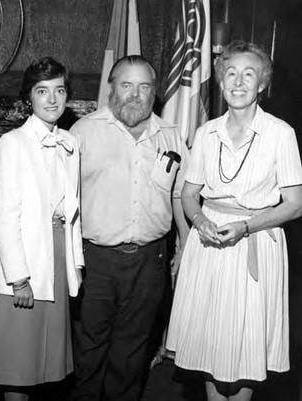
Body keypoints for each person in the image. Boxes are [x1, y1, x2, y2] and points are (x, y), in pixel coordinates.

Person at [166, 40, 302, 401]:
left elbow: (295, 205)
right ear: (221, 82)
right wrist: (198, 221)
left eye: (249, 74)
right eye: (231, 73)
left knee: (244, 352)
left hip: (255, 246)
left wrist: (245, 226)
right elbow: (189, 195)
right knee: (211, 348)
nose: (238, 82)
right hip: (208, 248)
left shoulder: (280, 134)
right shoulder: (206, 133)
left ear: (262, 84)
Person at [70, 55, 189, 401]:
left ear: (154, 93)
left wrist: (182, 245)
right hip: (96, 262)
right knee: (90, 350)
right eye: (126, 85)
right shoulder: (84, 132)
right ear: (111, 88)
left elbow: (180, 194)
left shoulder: (169, 134)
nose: (134, 95)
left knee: (133, 353)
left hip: (151, 261)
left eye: (144, 87)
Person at [0, 57, 84, 401]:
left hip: (56, 260)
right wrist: (18, 278)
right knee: (18, 366)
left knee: (45, 367)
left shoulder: (69, 144)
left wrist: (74, 266)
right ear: (29, 97)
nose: (52, 99)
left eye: (59, 90)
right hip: (27, 266)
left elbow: (73, 212)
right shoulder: (13, 142)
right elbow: (5, 217)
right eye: (42, 91)